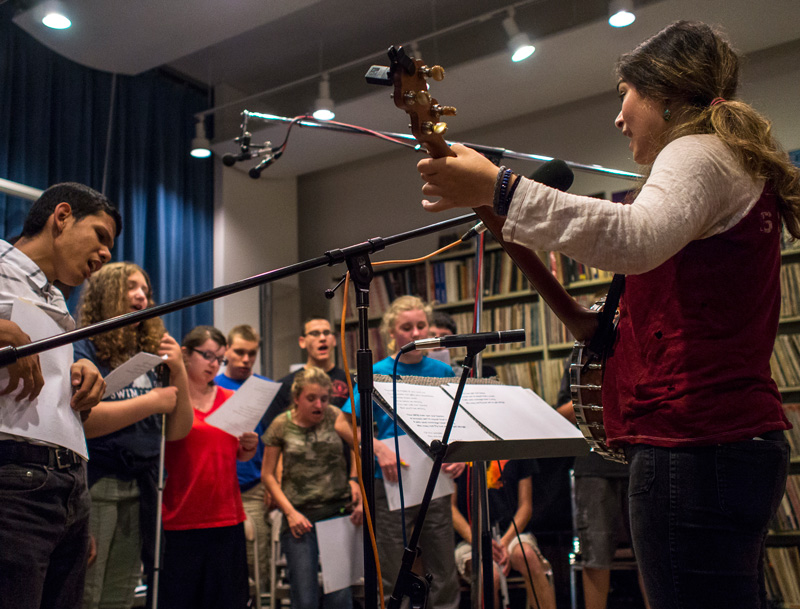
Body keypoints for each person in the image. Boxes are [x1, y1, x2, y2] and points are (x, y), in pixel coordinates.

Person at [417, 20, 800, 609]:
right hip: (723, 442)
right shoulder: (725, 159)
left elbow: (631, 239)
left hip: (694, 444)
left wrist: (502, 188)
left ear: (665, 94)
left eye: (625, 94)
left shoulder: (697, 151)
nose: (619, 117)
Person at [0, 182, 121, 609]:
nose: (106, 254)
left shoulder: (56, 298)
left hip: (70, 490)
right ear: (63, 216)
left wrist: (77, 371)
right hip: (13, 481)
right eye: (101, 236)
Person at [75, 262, 193, 609]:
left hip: (140, 487)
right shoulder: (85, 347)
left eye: (145, 290)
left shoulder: (150, 351)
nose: (142, 296)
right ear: (107, 294)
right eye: (131, 287)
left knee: (122, 594)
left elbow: (177, 430)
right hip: (98, 484)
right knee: (88, 591)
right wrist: (150, 402)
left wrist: (178, 370)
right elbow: (84, 421)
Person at [342, 295, 463, 609]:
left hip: (434, 481)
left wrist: (459, 456)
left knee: (444, 569)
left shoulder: (441, 370)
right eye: (407, 328)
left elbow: (457, 423)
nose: (415, 333)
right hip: (391, 481)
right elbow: (343, 423)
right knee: (393, 571)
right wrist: (377, 447)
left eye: (421, 325)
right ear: (391, 333)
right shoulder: (377, 372)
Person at [158, 326, 258, 609]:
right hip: (181, 519)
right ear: (185, 355)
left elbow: (238, 455)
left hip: (226, 519)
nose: (214, 364)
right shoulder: (170, 400)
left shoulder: (230, 398)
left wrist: (248, 446)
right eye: (208, 356)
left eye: (219, 359)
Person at [262, 366, 363, 609]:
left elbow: (358, 447)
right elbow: (267, 475)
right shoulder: (281, 424)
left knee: (339, 597)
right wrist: (290, 513)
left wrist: (354, 481)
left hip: (336, 512)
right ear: (297, 398)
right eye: (311, 398)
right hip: (299, 516)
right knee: (304, 597)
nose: (319, 405)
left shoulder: (336, 416)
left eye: (324, 398)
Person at [555, 369, 649, 609]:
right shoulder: (582, 357)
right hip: (594, 465)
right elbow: (561, 414)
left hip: (641, 457)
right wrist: (595, 394)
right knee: (595, 556)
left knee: (651, 555)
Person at [214, 324, 272, 598]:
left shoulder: (263, 388)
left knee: (257, 561)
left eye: (252, 353)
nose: (246, 359)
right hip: (218, 488)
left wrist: (272, 481)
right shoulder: (212, 385)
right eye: (239, 352)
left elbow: (273, 439)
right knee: (221, 561)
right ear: (226, 350)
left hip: (253, 487)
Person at [451, 460, 556, 609]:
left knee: (526, 556)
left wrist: (504, 543)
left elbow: (525, 507)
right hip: (470, 538)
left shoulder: (518, 452)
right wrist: (478, 541)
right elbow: (451, 507)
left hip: (511, 533)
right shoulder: (462, 454)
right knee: (488, 576)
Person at [263, 316, 352, 430]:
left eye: (326, 333)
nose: (322, 338)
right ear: (302, 342)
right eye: (315, 333)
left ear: (334, 340)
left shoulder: (350, 382)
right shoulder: (286, 385)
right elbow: (273, 431)